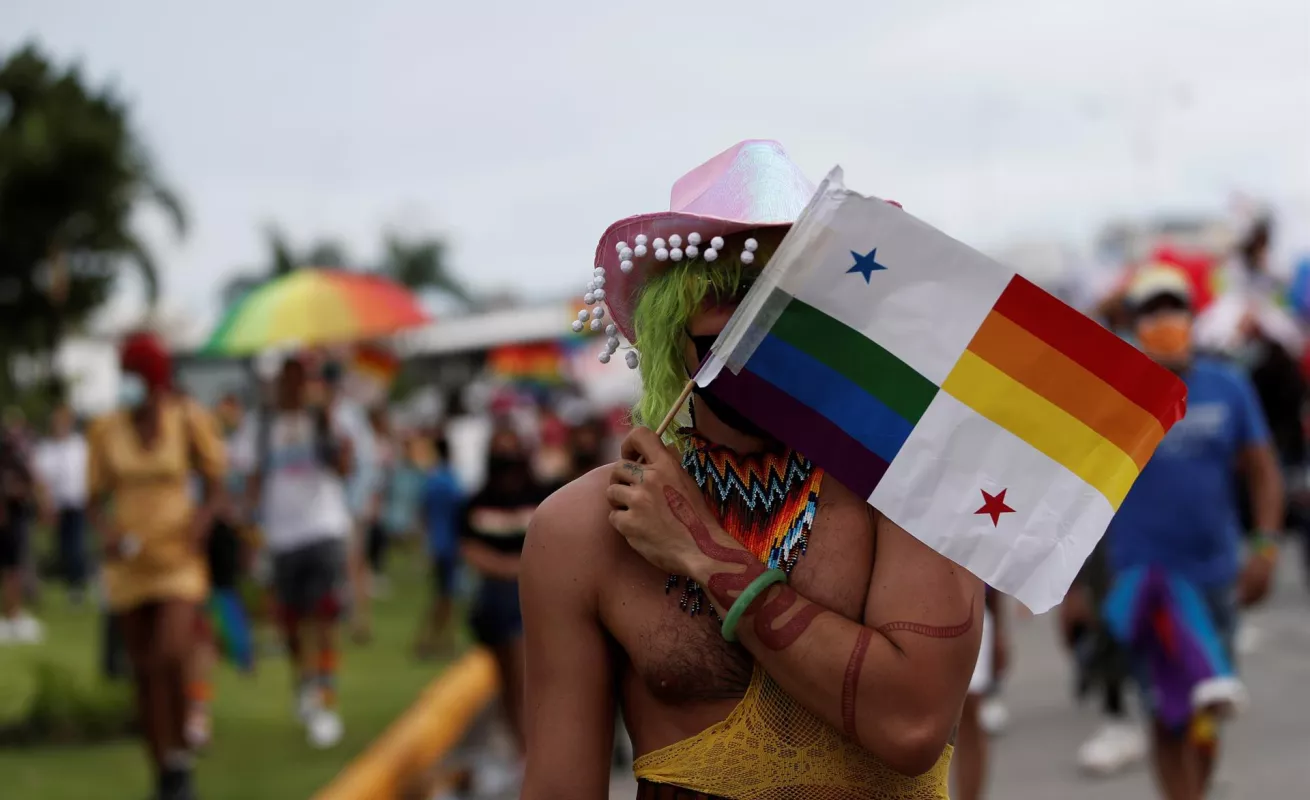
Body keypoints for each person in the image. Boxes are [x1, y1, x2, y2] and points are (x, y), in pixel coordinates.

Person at [521, 141, 982, 799]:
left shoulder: (910, 485)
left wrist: (704, 552)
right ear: (670, 319)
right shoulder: (582, 531)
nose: (762, 323)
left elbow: (910, 724)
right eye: (731, 293)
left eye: (793, 294)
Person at [1106, 266, 1284, 800]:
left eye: (1174, 308)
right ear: (1135, 323)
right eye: (1152, 312)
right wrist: (1072, 588)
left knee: (1211, 708)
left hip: (1215, 577)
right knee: (1167, 711)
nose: (1165, 321)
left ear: (1192, 315)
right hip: (1146, 578)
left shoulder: (1227, 386)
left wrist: (1267, 546)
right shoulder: (1114, 395)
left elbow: (1262, 467)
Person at [86, 332, 227, 800]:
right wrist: (105, 534)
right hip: (129, 564)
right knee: (144, 671)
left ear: (153, 378)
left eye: (135, 375)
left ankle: (183, 745)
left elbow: (215, 480)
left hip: (177, 560)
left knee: (170, 651)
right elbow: (93, 497)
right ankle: (165, 770)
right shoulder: (106, 430)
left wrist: (201, 525)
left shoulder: (187, 419)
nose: (128, 385)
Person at [241, 355, 354, 749]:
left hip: (323, 527)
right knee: (291, 622)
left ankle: (326, 697)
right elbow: (253, 478)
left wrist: (329, 429)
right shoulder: (261, 426)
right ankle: (304, 684)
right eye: (286, 378)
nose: (293, 386)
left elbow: (344, 468)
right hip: (282, 536)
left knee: (324, 616)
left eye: (300, 378)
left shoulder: (326, 419)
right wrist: (249, 528)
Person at [462, 423, 549, 790]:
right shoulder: (478, 501)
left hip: (535, 598)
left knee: (526, 678)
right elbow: (470, 549)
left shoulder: (544, 494)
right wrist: (512, 568)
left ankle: (535, 752)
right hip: (496, 602)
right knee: (508, 680)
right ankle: (523, 751)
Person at [953, 588, 1008, 800]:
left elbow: (991, 566)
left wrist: (999, 632)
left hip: (968, 605)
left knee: (968, 711)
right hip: (899, 605)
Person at [34, 404, 90, 605]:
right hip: (56, 505)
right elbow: (40, 479)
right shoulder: (46, 449)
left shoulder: (79, 446)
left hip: (77, 502)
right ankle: (65, 582)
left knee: (76, 544)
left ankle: (77, 585)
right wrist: (44, 504)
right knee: (63, 547)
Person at [414, 431, 463, 659]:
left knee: (443, 595)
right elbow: (461, 512)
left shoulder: (432, 480)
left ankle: (436, 641)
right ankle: (433, 641)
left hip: (436, 543)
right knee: (446, 595)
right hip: (451, 544)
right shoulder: (452, 480)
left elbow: (423, 511)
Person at [0, 420, 40, 644]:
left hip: (15, 521)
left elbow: (30, 484)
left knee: (14, 570)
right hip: (9, 524)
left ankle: (13, 615)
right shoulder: (10, 458)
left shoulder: (17, 459)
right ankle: (11, 616)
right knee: (12, 571)